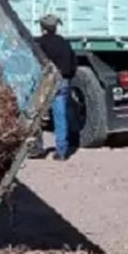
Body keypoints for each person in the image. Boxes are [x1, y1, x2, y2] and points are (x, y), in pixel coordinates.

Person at [37, 14, 77, 160]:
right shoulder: (64, 43)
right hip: (63, 82)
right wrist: (68, 77)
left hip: (45, 83)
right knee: (60, 116)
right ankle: (61, 151)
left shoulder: (40, 44)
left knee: (36, 115)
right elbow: (73, 63)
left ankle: (37, 148)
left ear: (42, 28)